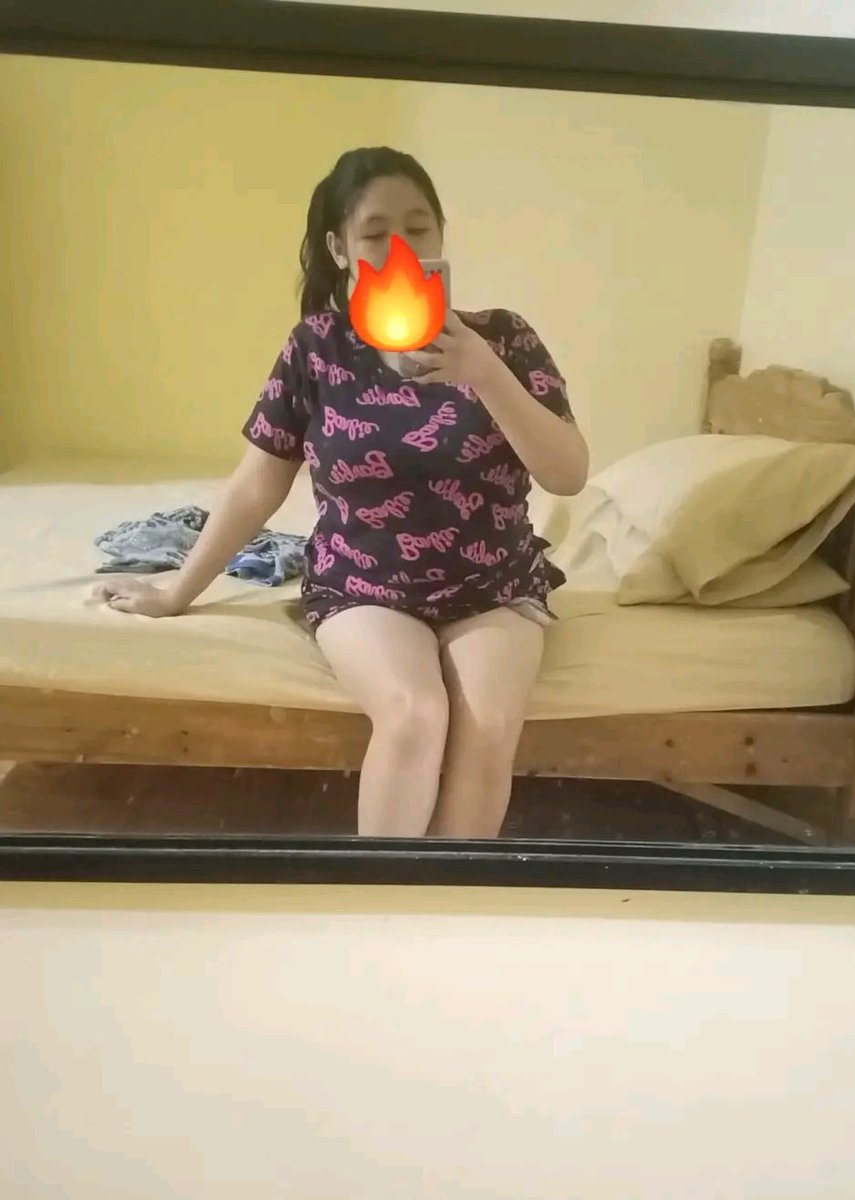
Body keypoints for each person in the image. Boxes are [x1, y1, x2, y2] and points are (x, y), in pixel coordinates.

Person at [94, 147, 589, 838]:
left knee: (488, 726)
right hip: (364, 584)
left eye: (418, 227)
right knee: (414, 715)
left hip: (492, 584)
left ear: (442, 233)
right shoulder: (317, 347)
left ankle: (448, 901)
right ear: (339, 249)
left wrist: (484, 371)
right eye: (375, 233)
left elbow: (568, 474)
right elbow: (257, 484)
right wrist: (177, 591)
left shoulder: (503, 338)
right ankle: (380, 896)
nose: (401, 248)